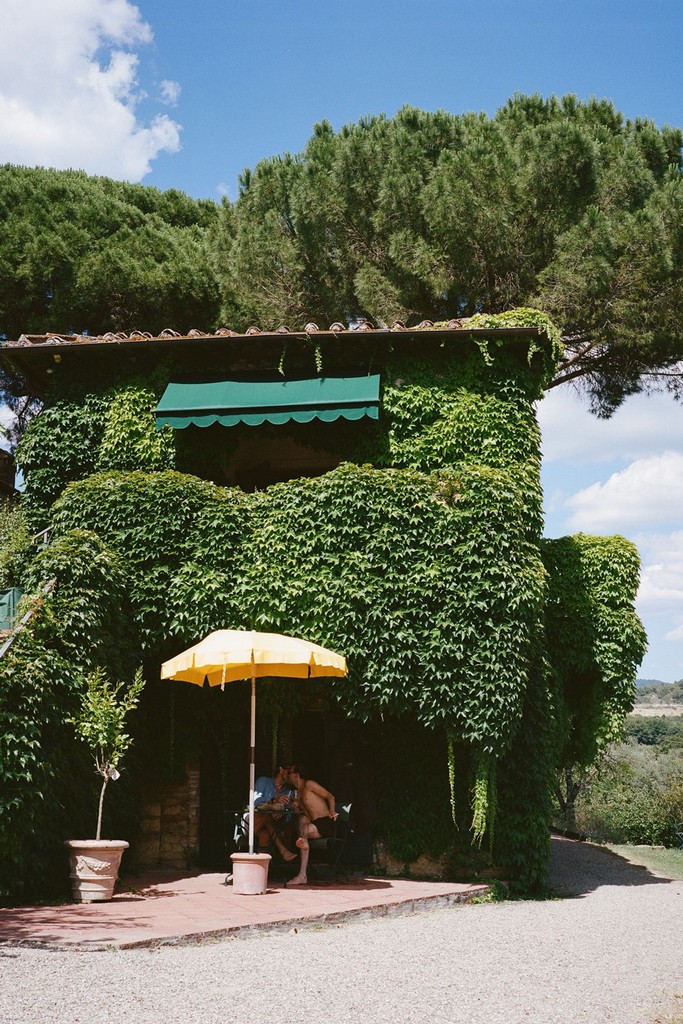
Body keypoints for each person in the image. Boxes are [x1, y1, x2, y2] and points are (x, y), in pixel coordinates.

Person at [285, 765, 338, 885]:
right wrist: (296, 808)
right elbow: (307, 814)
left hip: (325, 822)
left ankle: (302, 875)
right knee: (301, 818)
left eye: (290, 772)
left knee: (302, 833)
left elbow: (330, 796)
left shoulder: (309, 784)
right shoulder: (297, 793)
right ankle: (302, 873)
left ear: (296, 775)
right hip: (312, 824)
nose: (288, 775)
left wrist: (332, 811)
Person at [249, 766, 297, 861]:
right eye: (289, 772)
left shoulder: (288, 792)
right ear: (281, 770)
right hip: (252, 821)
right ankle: (282, 849)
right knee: (266, 814)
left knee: (265, 833)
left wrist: (283, 812)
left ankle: (264, 867)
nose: (291, 775)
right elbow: (255, 801)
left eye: (293, 774)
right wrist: (274, 800)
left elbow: (289, 815)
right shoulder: (263, 781)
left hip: (271, 825)